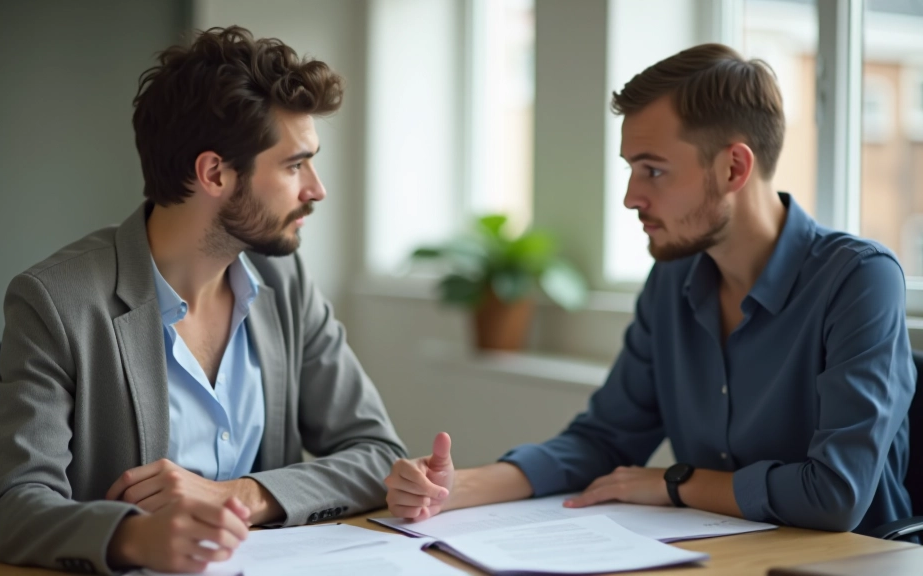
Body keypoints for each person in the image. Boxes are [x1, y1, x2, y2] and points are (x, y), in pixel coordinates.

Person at [385, 43, 914, 536]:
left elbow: (835, 495)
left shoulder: (860, 279)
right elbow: (604, 439)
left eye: (653, 170)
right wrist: (455, 488)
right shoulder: (674, 277)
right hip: (721, 554)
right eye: (632, 169)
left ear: (734, 167)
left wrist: (675, 482)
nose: (631, 197)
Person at [0, 26, 406, 575]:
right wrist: (137, 538)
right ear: (214, 174)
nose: (316, 189)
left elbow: (378, 453)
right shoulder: (57, 301)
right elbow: (8, 512)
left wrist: (242, 495)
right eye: (295, 165)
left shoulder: (287, 282)